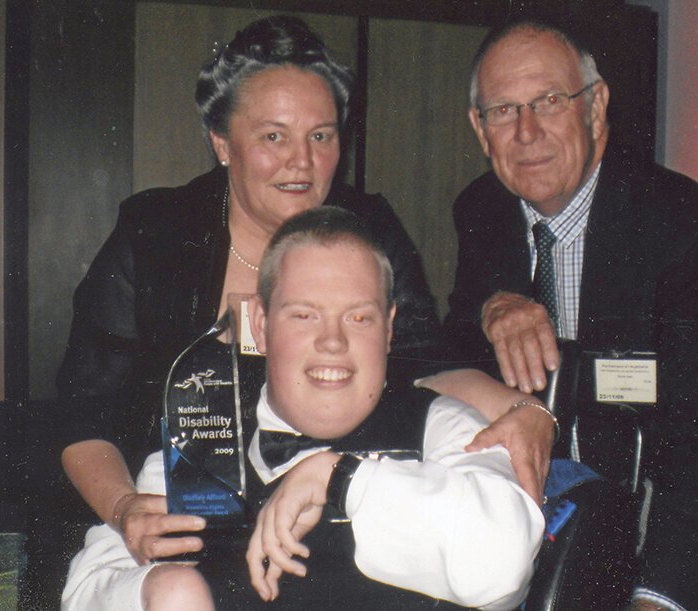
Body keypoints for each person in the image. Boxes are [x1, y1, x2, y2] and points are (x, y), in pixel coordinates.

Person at [51, 14, 440, 605]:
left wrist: (524, 411)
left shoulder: (369, 232)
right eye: (273, 136)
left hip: (324, 531)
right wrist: (127, 508)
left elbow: (426, 370)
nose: (302, 163)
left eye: (321, 135)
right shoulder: (155, 233)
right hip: (169, 533)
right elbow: (82, 416)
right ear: (220, 142)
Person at [63, 206, 543, 610]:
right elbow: (87, 586)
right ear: (261, 322)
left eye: (358, 317)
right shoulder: (204, 434)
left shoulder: (441, 424)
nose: (332, 342)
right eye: (304, 314)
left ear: (390, 327)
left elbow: (503, 570)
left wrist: (340, 478)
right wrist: (165, 592)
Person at [442, 19, 698, 610]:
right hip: (538, 538)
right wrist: (494, 303)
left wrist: (657, 597)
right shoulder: (481, 210)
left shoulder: (688, 229)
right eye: (504, 110)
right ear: (479, 129)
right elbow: (458, 348)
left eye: (549, 101)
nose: (527, 131)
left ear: (595, 109)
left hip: (667, 544)